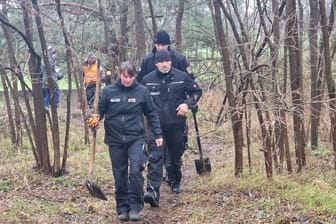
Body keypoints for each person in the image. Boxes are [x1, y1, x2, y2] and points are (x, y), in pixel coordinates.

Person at [88, 61, 163, 222]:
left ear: (134, 76)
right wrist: (95, 118)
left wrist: (158, 134)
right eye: (124, 76)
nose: (127, 80)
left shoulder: (142, 92)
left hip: (136, 138)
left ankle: (135, 206)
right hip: (115, 140)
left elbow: (152, 114)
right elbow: (99, 110)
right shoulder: (108, 91)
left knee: (136, 171)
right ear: (120, 75)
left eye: (130, 77)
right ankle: (122, 207)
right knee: (119, 174)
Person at [141, 49, 202, 207]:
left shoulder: (181, 77)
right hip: (156, 127)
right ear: (156, 64)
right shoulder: (147, 80)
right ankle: (152, 191)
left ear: (171, 62)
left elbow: (196, 91)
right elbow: (139, 98)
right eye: (161, 62)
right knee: (155, 157)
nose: (164, 64)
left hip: (176, 124)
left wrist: (187, 104)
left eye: (167, 61)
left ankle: (175, 180)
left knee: (174, 156)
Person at [137, 29, 192, 181]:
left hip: (176, 106)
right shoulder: (148, 60)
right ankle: (156, 172)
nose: (161, 48)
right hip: (154, 108)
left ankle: (172, 172)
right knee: (156, 141)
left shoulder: (179, 59)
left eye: (164, 45)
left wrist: (188, 103)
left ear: (169, 45)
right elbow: (139, 82)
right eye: (159, 44)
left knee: (176, 143)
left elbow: (189, 80)